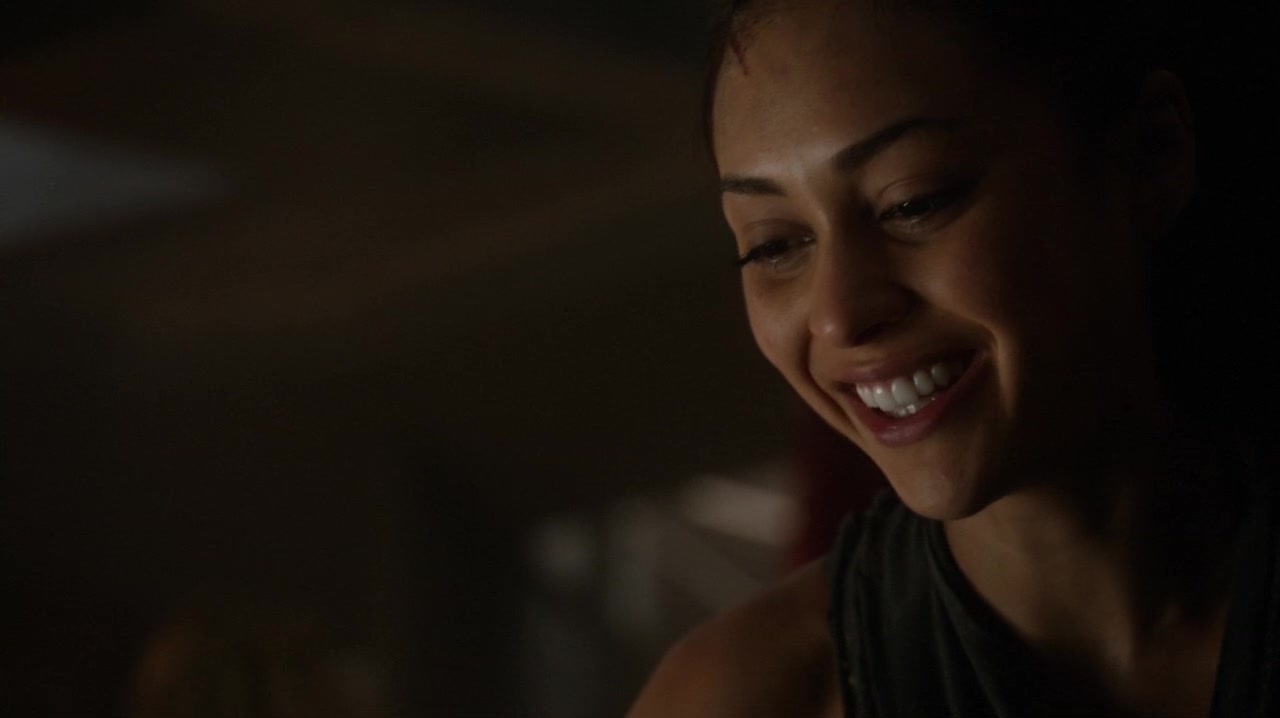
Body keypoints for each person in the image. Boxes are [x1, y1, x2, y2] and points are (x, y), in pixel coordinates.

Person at [628, 0, 1280, 715]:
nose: (839, 315)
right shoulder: (743, 699)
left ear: (1150, 155)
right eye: (774, 244)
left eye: (914, 202)